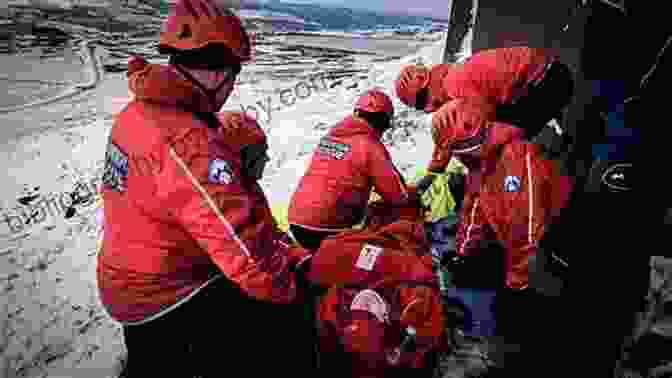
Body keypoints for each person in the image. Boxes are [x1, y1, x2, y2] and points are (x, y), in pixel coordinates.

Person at [96, 1, 312, 377]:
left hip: (129, 273)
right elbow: (243, 250)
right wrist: (292, 290)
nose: (232, 84)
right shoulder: (189, 141)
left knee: (152, 360)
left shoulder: (138, 112)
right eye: (234, 72)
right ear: (217, 71)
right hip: (165, 291)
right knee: (275, 331)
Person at [431, 98, 573, 373]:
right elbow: (474, 208)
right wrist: (463, 252)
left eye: (453, 149)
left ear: (464, 144)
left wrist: (517, 285)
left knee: (519, 324)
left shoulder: (518, 157)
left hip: (551, 249)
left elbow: (530, 230)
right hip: (515, 245)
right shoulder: (479, 164)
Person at [287, 89, 425, 252]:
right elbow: (399, 196)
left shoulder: (329, 138)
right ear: (382, 123)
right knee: (401, 212)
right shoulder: (370, 146)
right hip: (327, 230)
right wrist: (416, 193)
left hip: (296, 222)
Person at [394, 46, 575, 141]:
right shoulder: (452, 74)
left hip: (550, 84)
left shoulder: (453, 85)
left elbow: (488, 124)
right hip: (549, 72)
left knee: (508, 144)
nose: (432, 108)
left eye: (422, 102)